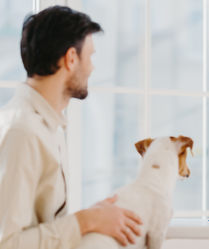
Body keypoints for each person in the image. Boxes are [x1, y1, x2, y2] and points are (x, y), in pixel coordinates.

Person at [0, 6, 142, 249]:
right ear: (71, 58)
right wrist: (85, 221)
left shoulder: (47, 126)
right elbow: (7, 243)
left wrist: (93, 217)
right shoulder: (22, 132)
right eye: (91, 56)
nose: (93, 68)